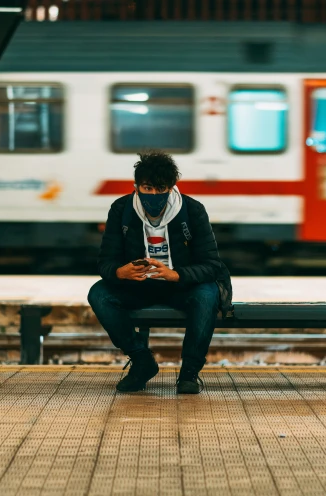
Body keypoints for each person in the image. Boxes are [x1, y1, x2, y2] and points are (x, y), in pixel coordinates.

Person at [88, 150, 233, 394]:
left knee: (207, 294)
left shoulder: (192, 211)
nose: (154, 195)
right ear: (136, 187)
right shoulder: (121, 209)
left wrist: (176, 275)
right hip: (138, 287)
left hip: (180, 288)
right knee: (98, 294)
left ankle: (189, 374)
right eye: (147, 189)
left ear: (171, 187)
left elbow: (211, 265)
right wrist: (120, 273)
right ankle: (142, 361)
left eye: (160, 189)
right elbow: (105, 262)